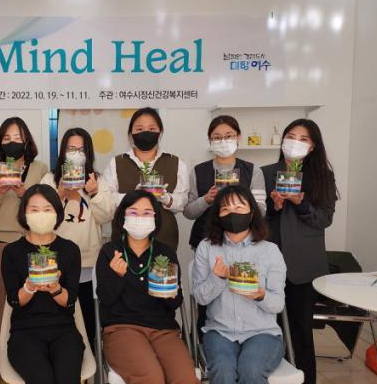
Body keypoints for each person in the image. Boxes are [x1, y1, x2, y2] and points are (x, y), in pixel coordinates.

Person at [96, 190, 199, 384]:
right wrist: (117, 276)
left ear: (155, 219)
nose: (140, 218)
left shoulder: (165, 252)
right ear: (122, 217)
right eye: (134, 212)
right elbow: (105, 299)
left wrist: (168, 292)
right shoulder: (109, 252)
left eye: (146, 213)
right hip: (122, 329)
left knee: (186, 378)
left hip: (163, 330)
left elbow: (175, 302)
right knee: (151, 377)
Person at [192, 185, 286, 384]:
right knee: (222, 369)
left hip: (263, 333)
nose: (233, 213)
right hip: (220, 331)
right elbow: (200, 297)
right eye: (225, 208)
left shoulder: (269, 251)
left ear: (252, 211)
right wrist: (217, 279)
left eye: (239, 206)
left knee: (250, 368)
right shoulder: (207, 248)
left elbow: (277, 304)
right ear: (218, 216)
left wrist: (259, 294)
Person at [2, 184, 84, 384]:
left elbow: (69, 302)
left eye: (47, 208)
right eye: (34, 209)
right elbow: (15, 301)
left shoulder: (69, 250)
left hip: (63, 328)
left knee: (68, 380)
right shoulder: (12, 252)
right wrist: (29, 286)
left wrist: (55, 288)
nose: (40, 214)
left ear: (57, 213)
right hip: (25, 331)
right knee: (44, 382)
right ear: (24, 214)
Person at [262, 119, 338, 384]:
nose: (295, 142)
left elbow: (324, 219)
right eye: (290, 136)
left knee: (300, 324)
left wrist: (300, 203)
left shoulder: (322, 177)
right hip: (269, 258)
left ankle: (301, 380)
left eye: (303, 139)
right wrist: (274, 206)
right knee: (268, 322)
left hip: (304, 262)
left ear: (313, 146)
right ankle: (269, 371)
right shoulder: (266, 173)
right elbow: (255, 217)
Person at [0, 117, 49, 384]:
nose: (12, 142)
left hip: (34, 243)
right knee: (0, 309)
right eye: (6, 138)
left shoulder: (40, 168)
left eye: (17, 137)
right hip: (0, 243)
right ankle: (1, 371)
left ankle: (34, 365)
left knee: (36, 306)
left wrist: (23, 193)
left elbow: (47, 205)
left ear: (27, 140)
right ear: (0, 142)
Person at [184, 115, 266, 340]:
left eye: (228, 136)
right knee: (207, 296)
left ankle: (244, 338)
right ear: (210, 141)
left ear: (238, 137)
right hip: (207, 242)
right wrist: (206, 200)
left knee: (241, 293)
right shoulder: (199, 171)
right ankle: (204, 344)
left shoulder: (252, 171)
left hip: (244, 244)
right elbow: (189, 211)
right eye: (217, 137)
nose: (223, 141)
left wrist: (239, 202)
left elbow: (261, 210)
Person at [41, 127, 115, 348]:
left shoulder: (97, 180)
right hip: (56, 260)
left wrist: (94, 192)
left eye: (81, 150)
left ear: (88, 152)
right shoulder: (49, 179)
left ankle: (89, 352)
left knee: (87, 315)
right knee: (59, 313)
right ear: (63, 151)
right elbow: (42, 219)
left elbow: (106, 216)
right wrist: (61, 193)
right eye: (71, 149)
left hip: (88, 261)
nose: (75, 154)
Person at [102, 107, 189, 251]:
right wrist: (131, 196)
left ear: (160, 132)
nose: (146, 132)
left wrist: (166, 198)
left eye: (152, 128)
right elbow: (107, 198)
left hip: (164, 238)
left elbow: (183, 201)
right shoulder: (116, 162)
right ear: (131, 134)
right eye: (139, 129)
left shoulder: (176, 163)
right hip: (124, 238)